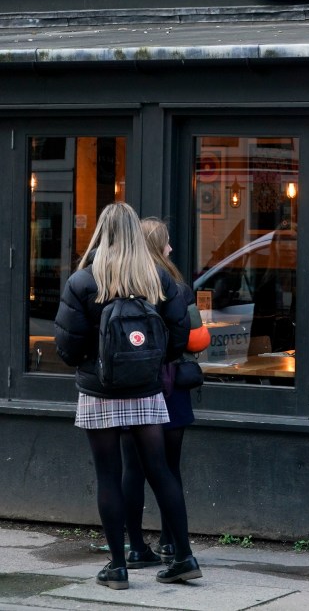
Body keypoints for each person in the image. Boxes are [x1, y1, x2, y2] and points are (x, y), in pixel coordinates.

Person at [54, 202, 202, 590]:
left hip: (98, 388)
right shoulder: (156, 279)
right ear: (136, 233)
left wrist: (94, 360)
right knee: (160, 470)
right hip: (147, 389)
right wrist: (151, 363)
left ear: (102, 232)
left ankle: (118, 567)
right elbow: (179, 335)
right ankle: (184, 556)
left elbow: (67, 347)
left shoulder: (84, 281)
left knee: (109, 473)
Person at [119, 218, 201, 570]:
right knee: (169, 468)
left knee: (132, 469)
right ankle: (172, 540)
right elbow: (194, 337)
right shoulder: (177, 287)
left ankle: (136, 546)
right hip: (170, 383)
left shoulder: (124, 283)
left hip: (132, 384)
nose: (170, 249)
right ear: (157, 245)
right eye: (166, 243)